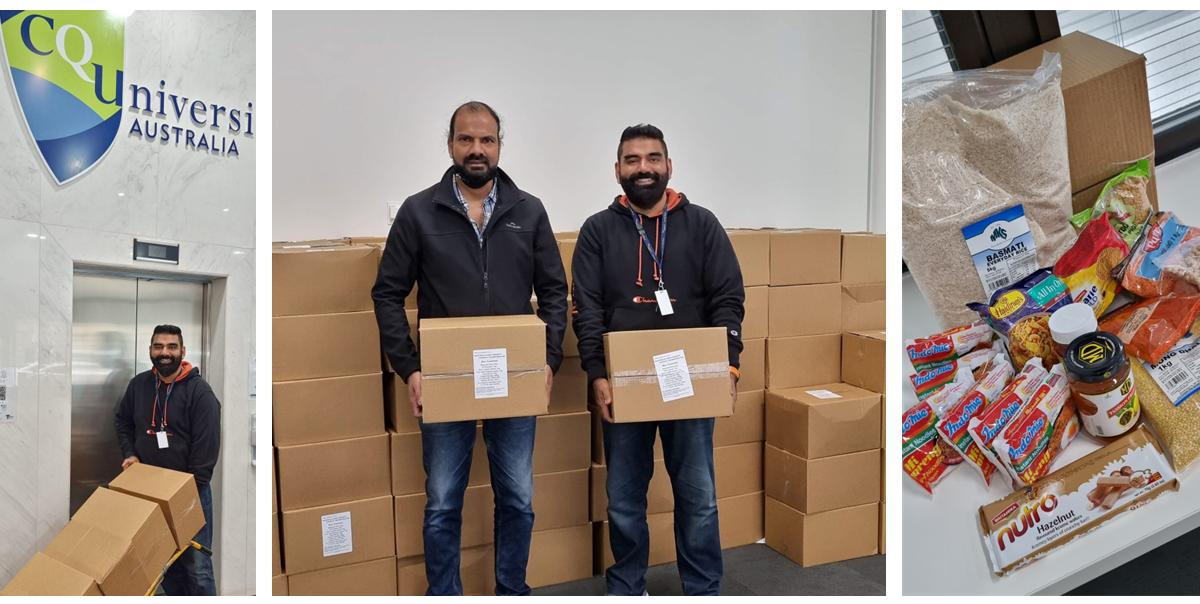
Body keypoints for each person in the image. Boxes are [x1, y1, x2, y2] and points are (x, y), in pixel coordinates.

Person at [372, 101, 569, 596]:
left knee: (518, 497)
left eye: (487, 140)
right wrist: (410, 369)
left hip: (515, 375)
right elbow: (387, 294)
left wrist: (547, 360)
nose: (476, 149)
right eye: (466, 139)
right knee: (442, 500)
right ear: (450, 145)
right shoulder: (419, 212)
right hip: (445, 379)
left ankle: (511, 589)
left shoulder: (529, 211)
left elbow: (554, 292)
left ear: (500, 145)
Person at [571, 124, 744, 596]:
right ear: (617, 170)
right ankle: (627, 587)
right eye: (632, 160)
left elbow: (728, 298)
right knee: (624, 499)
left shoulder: (702, 224)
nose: (643, 168)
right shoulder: (597, 231)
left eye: (652, 158)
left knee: (699, 497)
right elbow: (585, 310)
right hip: (625, 385)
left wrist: (728, 365)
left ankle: (702, 588)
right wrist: (597, 374)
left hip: (690, 381)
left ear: (669, 166)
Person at [115, 324, 220, 596]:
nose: (165, 352)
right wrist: (130, 453)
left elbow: (206, 447)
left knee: (197, 567)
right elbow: (123, 421)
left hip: (189, 494)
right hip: (149, 492)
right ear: (150, 350)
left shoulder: (200, 393)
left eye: (172, 347)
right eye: (159, 346)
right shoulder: (139, 385)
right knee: (164, 566)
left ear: (182, 351)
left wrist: (188, 493)